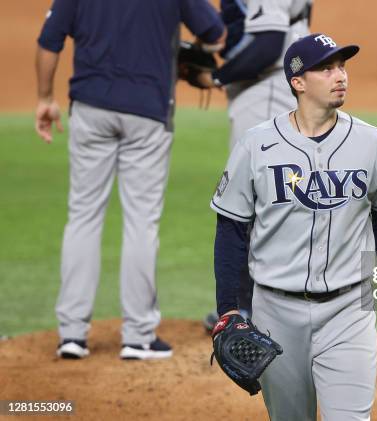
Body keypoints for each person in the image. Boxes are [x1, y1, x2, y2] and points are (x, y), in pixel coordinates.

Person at [209, 33, 377, 420]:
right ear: (298, 82)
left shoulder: (373, 143)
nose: (340, 76)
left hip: (348, 311)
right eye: (326, 68)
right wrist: (230, 310)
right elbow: (231, 230)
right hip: (274, 312)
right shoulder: (256, 146)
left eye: (342, 66)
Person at [35, 0, 225, 360]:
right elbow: (216, 35)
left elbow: (49, 41)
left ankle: (72, 334)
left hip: (90, 109)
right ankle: (137, 336)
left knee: (83, 217)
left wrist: (45, 97)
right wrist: (189, 50)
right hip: (147, 111)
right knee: (141, 221)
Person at [199, 0, 313, 329]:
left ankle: (249, 308)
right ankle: (268, 303)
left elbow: (267, 45)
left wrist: (217, 76)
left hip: (266, 84)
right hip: (268, 82)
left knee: (255, 197)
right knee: (276, 194)